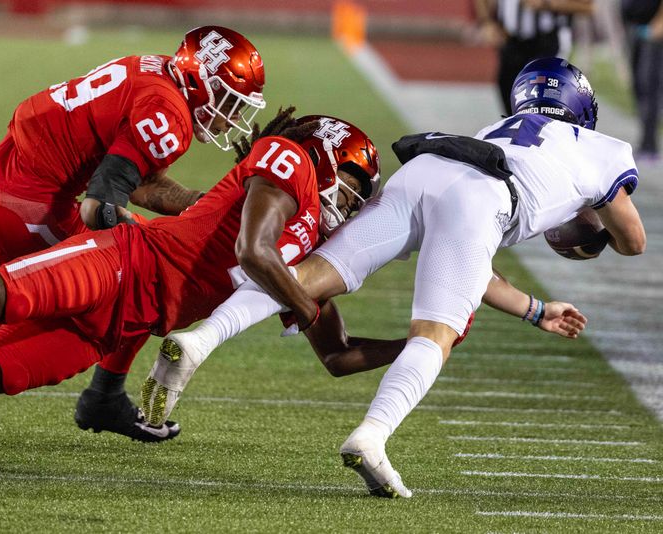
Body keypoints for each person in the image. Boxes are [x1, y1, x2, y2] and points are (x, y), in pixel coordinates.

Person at [143, 57, 646, 498]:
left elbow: (468, 260)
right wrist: (594, 222)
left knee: (308, 276)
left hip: (429, 169)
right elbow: (634, 241)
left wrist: (536, 310)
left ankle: (200, 340)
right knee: (435, 337)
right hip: (485, 199)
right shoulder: (600, 148)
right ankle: (372, 434)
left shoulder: (503, 127)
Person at [0, 110, 381, 438]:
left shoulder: (309, 237)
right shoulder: (287, 160)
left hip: (123, 321)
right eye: (353, 183)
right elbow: (254, 252)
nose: (353, 203)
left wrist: (428, 343)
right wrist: (306, 301)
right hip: (118, 264)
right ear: (324, 156)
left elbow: (337, 355)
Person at [0, 25, 266, 442]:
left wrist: (205, 207)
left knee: (66, 298)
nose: (234, 117)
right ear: (197, 79)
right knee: (125, 282)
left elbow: (137, 180)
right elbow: (98, 207)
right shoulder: (167, 115)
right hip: (29, 204)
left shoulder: (153, 71)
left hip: (10, 178)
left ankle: (104, 394)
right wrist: (128, 236)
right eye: (227, 100)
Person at [473, 0, 594, 115]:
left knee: (540, 105)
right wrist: (486, 21)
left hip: (548, 42)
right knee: (512, 106)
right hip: (511, 42)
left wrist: (547, 3)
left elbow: (588, 6)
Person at [621, 0, 663, 161]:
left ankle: (650, 145)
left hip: (653, 29)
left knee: (650, 86)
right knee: (638, 86)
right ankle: (645, 141)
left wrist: (660, 22)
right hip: (634, 27)